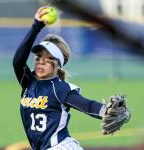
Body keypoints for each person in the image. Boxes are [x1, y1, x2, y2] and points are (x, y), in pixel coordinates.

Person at [13, 6, 107, 150]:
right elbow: (18, 61)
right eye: (38, 56)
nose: (41, 61)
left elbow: (87, 105)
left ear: (58, 65)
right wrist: (36, 26)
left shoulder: (60, 88)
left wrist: (108, 111)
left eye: (49, 58)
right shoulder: (28, 82)